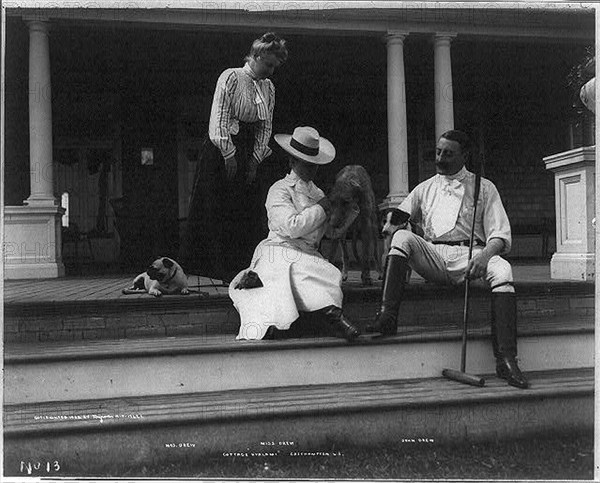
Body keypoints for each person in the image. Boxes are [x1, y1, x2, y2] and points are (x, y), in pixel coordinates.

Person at [368, 130, 529, 389]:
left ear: (465, 156)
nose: (440, 158)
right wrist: (388, 225)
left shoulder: (483, 188)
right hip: (434, 255)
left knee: (503, 269)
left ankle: (506, 359)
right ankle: (387, 317)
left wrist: (485, 256)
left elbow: (500, 235)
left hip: (471, 256)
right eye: (438, 152)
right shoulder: (425, 188)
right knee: (401, 239)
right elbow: (399, 217)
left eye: (448, 154)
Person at [229, 126, 361, 342]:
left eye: (315, 166)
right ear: (292, 162)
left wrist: (346, 213)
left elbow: (327, 233)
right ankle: (335, 319)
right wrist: (321, 209)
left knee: (328, 273)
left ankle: (333, 316)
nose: (312, 171)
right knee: (295, 271)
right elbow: (291, 227)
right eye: (307, 165)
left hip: (307, 253)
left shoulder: (317, 193)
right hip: (279, 249)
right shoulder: (280, 189)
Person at [179, 32, 288, 283]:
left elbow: (265, 126)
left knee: (246, 209)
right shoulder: (230, 77)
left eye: (275, 67)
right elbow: (218, 118)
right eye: (268, 64)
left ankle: (243, 268)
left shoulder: (268, 88)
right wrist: (229, 154)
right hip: (221, 149)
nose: (271, 71)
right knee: (218, 206)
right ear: (257, 56)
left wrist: (255, 160)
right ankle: (217, 269)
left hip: (249, 149)